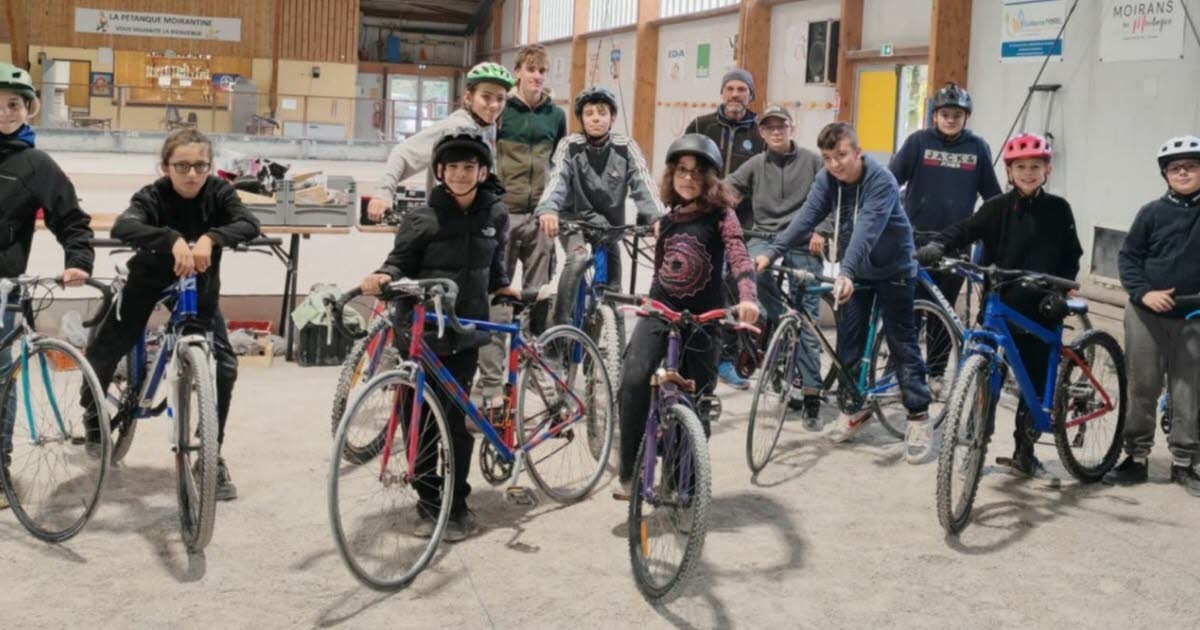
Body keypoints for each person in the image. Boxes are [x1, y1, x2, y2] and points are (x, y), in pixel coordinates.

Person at [83, 129, 259, 501]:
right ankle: (92, 416)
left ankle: (211, 452)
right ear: (166, 167)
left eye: (200, 165)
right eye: (182, 166)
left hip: (197, 289)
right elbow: (123, 226)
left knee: (225, 365)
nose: (192, 174)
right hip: (147, 279)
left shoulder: (220, 193)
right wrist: (172, 240)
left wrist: (211, 239)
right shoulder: (151, 196)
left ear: (210, 167)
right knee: (108, 343)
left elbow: (248, 223)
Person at [359, 133, 519, 540]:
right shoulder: (422, 219)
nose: (462, 174)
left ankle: (457, 503)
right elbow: (398, 263)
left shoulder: (494, 215)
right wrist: (383, 276)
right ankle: (428, 501)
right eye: (453, 168)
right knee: (422, 420)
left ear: (482, 173)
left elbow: (496, 262)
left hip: (466, 332)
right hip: (421, 334)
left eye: (470, 168)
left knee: (454, 421)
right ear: (440, 173)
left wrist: (503, 286)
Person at [755, 122, 932, 463]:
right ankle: (854, 408)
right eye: (827, 158)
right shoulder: (827, 180)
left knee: (902, 341)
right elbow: (806, 217)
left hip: (894, 267)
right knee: (848, 342)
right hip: (859, 271)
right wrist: (772, 252)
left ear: (857, 152)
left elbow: (867, 228)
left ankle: (918, 417)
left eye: (841, 156)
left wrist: (846, 271)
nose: (835, 164)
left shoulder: (881, 180)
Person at [917, 133, 1083, 477]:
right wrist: (939, 245)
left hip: (1041, 309)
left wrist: (1059, 293)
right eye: (1020, 167)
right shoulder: (995, 208)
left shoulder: (1059, 209)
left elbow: (1071, 257)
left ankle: (1025, 451)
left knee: (1034, 385)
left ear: (1047, 170)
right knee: (985, 380)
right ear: (1009, 172)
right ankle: (975, 448)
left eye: (1035, 167)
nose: (1027, 173)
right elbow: (965, 229)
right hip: (999, 306)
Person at [615, 134, 759, 498]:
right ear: (671, 175)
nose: (688, 179)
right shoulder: (669, 219)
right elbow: (663, 270)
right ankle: (630, 469)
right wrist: (647, 303)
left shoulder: (722, 216)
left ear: (710, 178)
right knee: (633, 379)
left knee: (697, 404)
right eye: (681, 171)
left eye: (697, 172)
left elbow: (739, 255)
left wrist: (747, 297)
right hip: (661, 311)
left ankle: (684, 485)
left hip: (704, 317)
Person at [0, 62, 95, 511]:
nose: (4, 111)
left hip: (2, 288)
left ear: (28, 109)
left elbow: (70, 218)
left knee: (1, 379)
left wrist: (78, 261)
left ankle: (0, 472)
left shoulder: (35, 164)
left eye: (13, 103)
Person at [890, 83, 1002, 391]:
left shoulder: (978, 148)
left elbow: (992, 196)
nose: (950, 119)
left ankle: (936, 372)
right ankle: (900, 371)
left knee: (944, 309)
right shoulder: (917, 143)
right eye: (944, 114)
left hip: (955, 244)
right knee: (908, 309)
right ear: (934, 116)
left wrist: (999, 227)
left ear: (966, 117)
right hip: (914, 241)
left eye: (956, 115)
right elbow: (890, 181)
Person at [1106, 135, 1200, 496]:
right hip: (1147, 312)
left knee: (1189, 389)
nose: (1183, 172)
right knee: (1142, 385)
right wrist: (1145, 292)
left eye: (1191, 166)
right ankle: (1136, 457)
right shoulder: (1151, 212)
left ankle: (1184, 461)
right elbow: (1129, 258)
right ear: (1165, 175)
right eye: (1175, 168)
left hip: (1193, 314)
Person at [725, 104, 826, 427]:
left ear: (791, 128)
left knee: (807, 318)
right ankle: (773, 320)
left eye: (781, 126)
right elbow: (728, 189)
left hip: (802, 239)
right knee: (742, 271)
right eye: (769, 128)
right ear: (762, 133)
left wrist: (822, 230)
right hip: (765, 238)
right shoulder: (756, 164)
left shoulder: (813, 161)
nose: (776, 132)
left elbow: (835, 197)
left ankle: (812, 393)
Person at [478, 45, 567, 408]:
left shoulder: (556, 115)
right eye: (531, 70)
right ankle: (491, 383)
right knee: (497, 295)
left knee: (537, 298)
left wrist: (554, 206)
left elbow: (561, 166)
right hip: (503, 214)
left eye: (542, 71)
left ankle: (532, 369)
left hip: (540, 217)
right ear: (517, 71)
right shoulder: (502, 111)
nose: (537, 76)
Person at [536, 85, 663, 326]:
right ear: (581, 118)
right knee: (578, 258)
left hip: (609, 228)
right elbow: (557, 180)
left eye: (602, 112)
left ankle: (609, 339)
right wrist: (548, 208)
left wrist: (658, 217)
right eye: (589, 112)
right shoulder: (570, 145)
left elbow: (643, 183)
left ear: (612, 117)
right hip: (574, 222)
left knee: (613, 289)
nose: (596, 118)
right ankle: (559, 328)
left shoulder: (626, 147)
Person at [686, 68, 765, 389]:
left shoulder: (760, 133)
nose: (735, 95)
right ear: (722, 93)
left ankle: (728, 359)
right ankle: (692, 351)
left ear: (751, 95)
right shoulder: (700, 126)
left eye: (742, 90)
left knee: (735, 292)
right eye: (730, 88)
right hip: (702, 222)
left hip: (742, 226)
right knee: (697, 285)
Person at [366, 62, 515, 222]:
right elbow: (402, 153)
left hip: (474, 221)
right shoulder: (455, 127)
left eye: (500, 99)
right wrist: (383, 193)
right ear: (468, 97)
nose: (494, 105)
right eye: (486, 97)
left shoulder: (489, 126)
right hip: (447, 221)